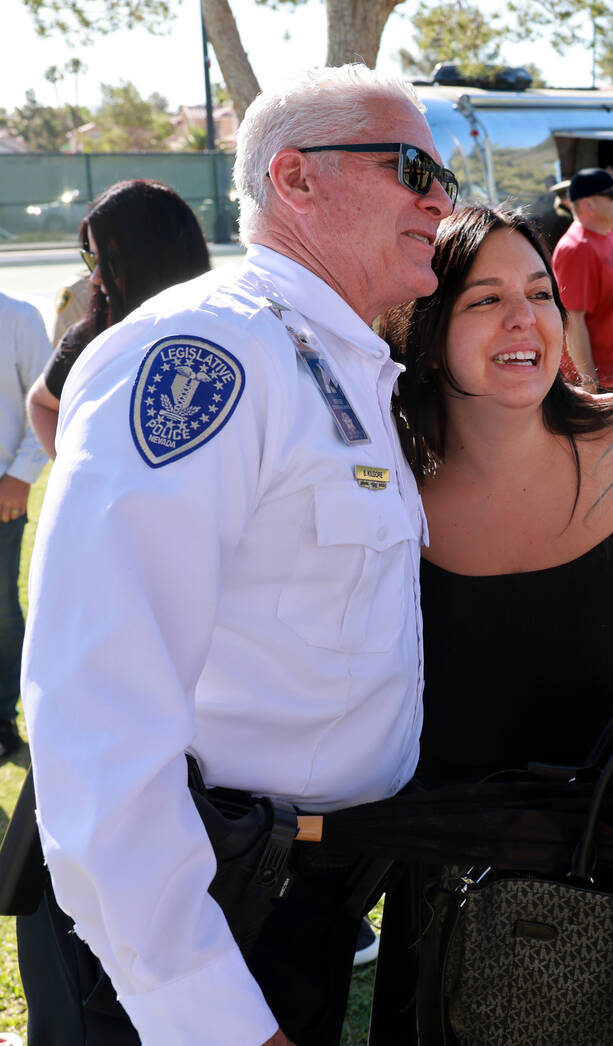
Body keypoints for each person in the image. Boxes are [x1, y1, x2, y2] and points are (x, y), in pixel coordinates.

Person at [18, 63, 455, 1046]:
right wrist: (208, 1012)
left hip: (296, 899)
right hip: (211, 908)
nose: (439, 198)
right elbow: (100, 715)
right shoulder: (207, 354)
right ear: (295, 178)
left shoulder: (336, 363)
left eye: (444, 178)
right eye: (411, 166)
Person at [377, 203, 613, 1037]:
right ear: (428, 329)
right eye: (486, 299)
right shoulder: (387, 508)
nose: (526, 319)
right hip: (454, 921)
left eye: (539, 291)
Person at [26, 179, 212, 458]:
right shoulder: (90, 336)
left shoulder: (230, 333)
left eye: (111, 262)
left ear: (157, 261)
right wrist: (77, 476)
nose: (96, 277)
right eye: (91, 260)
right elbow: (41, 403)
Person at [0, 292, 50, 761]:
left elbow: (48, 401)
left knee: (0, 613)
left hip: (1, 495)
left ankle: (1, 721)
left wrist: (19, 477)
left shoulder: (17, 317)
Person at [551, 168, 613, 392]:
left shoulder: (606, 234)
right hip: (599, 384)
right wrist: (588, 381)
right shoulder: (577, 248)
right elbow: (573, 321)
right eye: (611, 195)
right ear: (588, 205)